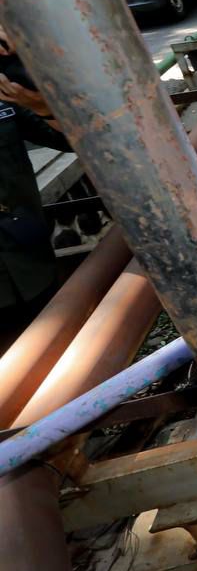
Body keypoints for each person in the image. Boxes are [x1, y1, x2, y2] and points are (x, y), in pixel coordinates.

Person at [0, 25, 70, 351]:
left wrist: (38, 102)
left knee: (55, 352)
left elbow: (70, 139)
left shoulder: (6, 95)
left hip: (30, 262)